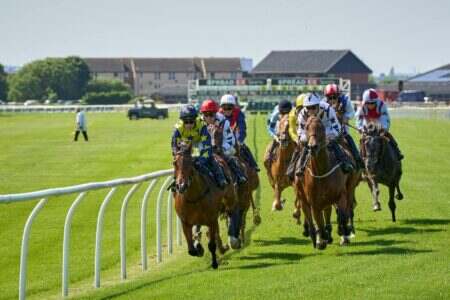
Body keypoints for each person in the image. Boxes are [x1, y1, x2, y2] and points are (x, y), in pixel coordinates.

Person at [296, 92, 354, 176]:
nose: (311, 110)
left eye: (313, 107)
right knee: (303, 146)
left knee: (334, 143)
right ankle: (298, 167)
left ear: (318, 105)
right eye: (308, 108)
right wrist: (309, 138)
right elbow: (300, 132)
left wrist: (327, 137)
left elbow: (337, 128)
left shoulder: (328, 109)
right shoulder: (302, 114)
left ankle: (345, 163)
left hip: (327, 129)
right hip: (310, 133)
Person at [171, 104, 228, 189]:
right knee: (180, 162)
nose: (189, 124)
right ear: (182, 121)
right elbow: (174, 147)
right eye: (186, 122)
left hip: (200, 141)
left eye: (191, 122)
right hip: (187, 142)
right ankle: (176, 181)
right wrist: (179, 155)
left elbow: (207, 147)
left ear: (195, 120)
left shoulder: (202, 126)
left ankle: (220, 178)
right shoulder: (178, 129)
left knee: (210, 157)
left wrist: (201, 160)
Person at [200, 99, 247, 185]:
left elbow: (230, 140)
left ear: (215, 113)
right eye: (206, 115)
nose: (209, 118)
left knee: (226, 155)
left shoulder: (224, 122)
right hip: (206, 149)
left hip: (224, 146)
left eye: (211, 115)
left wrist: (221, 148)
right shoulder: (198, 123)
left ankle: (239, 175)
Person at [355, 89, 404, 160]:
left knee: (388, 136)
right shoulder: (362, 107)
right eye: (369, 103)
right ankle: (359, 158)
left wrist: (384, 128)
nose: (371, 105)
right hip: (367, 125)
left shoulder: (381, 105)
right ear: (365, 102)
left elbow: (385, 118)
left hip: (379, 123)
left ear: (376, 101)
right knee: (362, 140)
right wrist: (360, 128)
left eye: (373, 103)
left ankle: (397, 152)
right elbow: (359, 118)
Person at [324, 84, 364, 168]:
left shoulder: (346, 100)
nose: (332, 100)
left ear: (338, 95)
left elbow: (352, 112)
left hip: (343, 131)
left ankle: (358, 160)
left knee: (349, 140)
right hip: (328, 133)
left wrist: (346, 117)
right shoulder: (323, 104)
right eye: (329, 98)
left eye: (334, 97)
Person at [218, 94, 260, 171]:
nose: (227, 110)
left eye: (229, 108)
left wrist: (239, 140)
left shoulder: (238, 113)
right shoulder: (218, 114)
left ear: (233, 107)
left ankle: (253, 164)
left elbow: (242, 128)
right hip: (222, 138)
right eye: (224, 108)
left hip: (235, 136)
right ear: (221, 107)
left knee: (244, 147)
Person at [265, 99, 293, 164]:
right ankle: (269, 155)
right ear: (280, 111)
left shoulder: (293, 112)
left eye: (287, 113)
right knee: (277, 137)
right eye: (283, 113)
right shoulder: (275, 114)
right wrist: (276, 137)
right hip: (276, 125)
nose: (285, 115)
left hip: (289, 123)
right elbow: (271, 129)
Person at [286, 94, 305, 180]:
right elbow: (291, 130)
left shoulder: (313, 110)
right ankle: (291, 170)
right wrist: (297, 139)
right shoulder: (292, 114)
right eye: (300, 108)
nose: (304, 110)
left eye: (305, 107)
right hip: (299, 137)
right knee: (297, 152)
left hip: (312, 136)